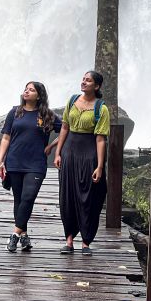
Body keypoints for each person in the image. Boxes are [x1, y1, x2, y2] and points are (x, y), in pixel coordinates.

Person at [0, 81, 62, 252]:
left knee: (28, 197)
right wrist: (0, 160)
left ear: (39, 95)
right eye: (26, 88)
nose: (27, 91)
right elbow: (6, 137)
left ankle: (15, 235)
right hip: (15, 161)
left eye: (31, 90)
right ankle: (24, 235)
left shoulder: (47, 114)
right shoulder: (15, 112)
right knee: (19, 200)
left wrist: (52, 146)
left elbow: (65, 130)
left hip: (36, 163)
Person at [53, 70, 110, 256]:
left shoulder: (101, 109)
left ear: (97, 86)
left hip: (88, 153)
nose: (84, 82)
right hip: (69, 151)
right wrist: (58, 152)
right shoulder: (72, 101)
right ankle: (68, 240)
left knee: (88, 196)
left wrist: (100, 166)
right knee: (67, 195)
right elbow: (64, 127)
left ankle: (86, 241)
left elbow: (101, 139)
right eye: (83, 79)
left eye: (89, 80)